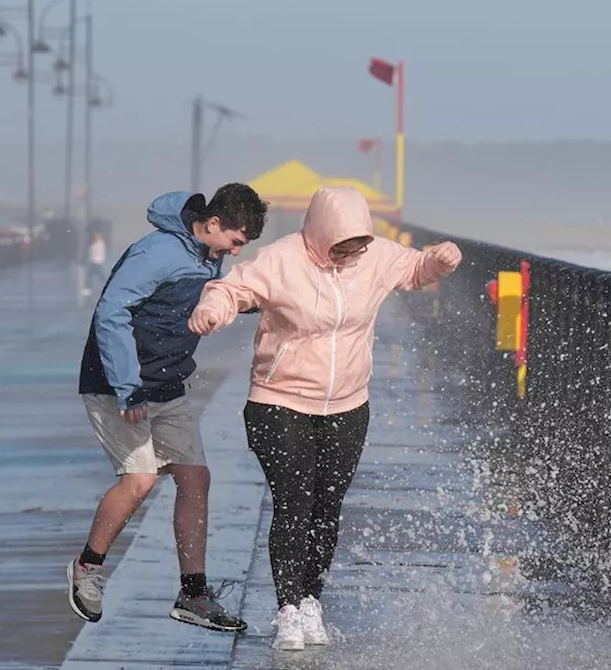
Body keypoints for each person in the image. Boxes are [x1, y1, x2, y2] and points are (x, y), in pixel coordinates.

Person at [188, 186, 462, 651]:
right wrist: (212, 310)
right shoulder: (282, 260)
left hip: (348, 405)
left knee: (326, 508)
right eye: (343, 244)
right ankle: (289, 610)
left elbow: (414, 269)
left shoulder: (373, 257)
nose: (352, 253)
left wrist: (440, 261)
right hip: (280, 402)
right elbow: (230, 288)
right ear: (320, 234)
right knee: (294, 504)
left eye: (359, 243)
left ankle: (312, 600)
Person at [70, 183, 268, 632]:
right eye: (236, 242)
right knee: (139, 481)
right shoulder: (156, 252)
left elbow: (208, 295)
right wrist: (127, 386)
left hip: (168, 384)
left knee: (195, 478)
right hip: (118, 386)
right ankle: (87, 568)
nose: (235, 253)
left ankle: (194, 596)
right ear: (213, 224)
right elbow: (110, 313)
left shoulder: (207, 253)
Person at [83, 230, 107, 297]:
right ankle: (108, 284)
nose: (95, 237)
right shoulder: (99, 243)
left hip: (96, 262)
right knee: (97, 275)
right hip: (96, 262)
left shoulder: (99, 244)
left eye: (97, 236)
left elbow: (92, 249)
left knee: (91, 276)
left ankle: (87, 290)